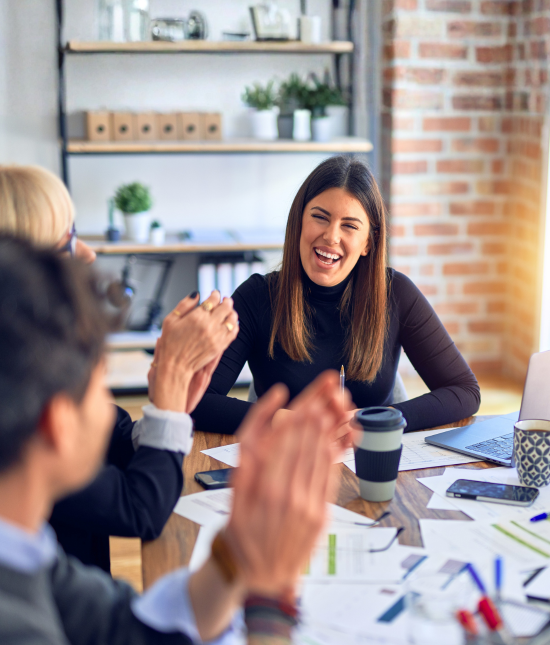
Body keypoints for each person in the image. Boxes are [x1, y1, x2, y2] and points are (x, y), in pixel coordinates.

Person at [0, 235, 345, 644]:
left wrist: (237, 550)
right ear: (59, 425)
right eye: (100, 381)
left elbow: (124, 624)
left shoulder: (27, 553)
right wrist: (269, 606)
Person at [0, 163, 239, 571]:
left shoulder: (43, 362)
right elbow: (140, 509)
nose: (88, 254)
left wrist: (173, 398)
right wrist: (167, 400)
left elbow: (113, 436)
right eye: (67, 243)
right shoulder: (18, 399)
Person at [192, 155, 480, 435]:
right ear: (299, 223)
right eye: (320, 217)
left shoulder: (396, 294)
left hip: (368, 462)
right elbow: (196, 403)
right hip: (281, 462)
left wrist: (375, 419)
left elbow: (465, 392)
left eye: (350, 226)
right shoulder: (257, 297)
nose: (331, 236)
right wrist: (289, 422)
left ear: (368, 242)